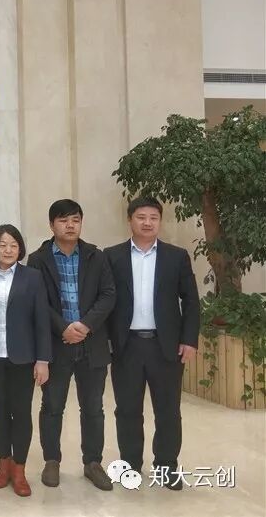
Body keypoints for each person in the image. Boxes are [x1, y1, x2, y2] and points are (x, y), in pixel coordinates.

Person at [105, 197, 200, 490]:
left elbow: (191, 301)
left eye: (153, 217)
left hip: (165, 346)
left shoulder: (176, 256)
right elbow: (104, 301)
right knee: (128, 410)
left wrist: (189, 340)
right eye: (141, 217)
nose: (147, 223)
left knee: (168, 411)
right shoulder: (112, 256)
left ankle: (166, 467)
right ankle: (131, 465)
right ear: (130, 220)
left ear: (160, 221)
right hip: (126, 346)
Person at [27, 199, 116, 491]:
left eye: (75, 220)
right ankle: (52, 460)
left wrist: (85, 325)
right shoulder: (38, 259)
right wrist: (63, 328)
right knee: (52, 406)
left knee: (93, 408)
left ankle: (93, 462)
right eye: (63, 220)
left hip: (92, 343)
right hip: (56, 344)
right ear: (51, 224)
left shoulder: (95, 256)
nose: (70, 225)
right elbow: (38, 301)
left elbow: (108, 295)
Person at [0, 224, 51, 497]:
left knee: (22, 412)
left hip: (23, 357)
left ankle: (19, 470)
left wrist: (43, 359)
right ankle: (4, 464)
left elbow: (41, 320)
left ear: (20, 249)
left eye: (14, 245)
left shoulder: (32, 277)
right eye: (3, 244)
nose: (8, 250)